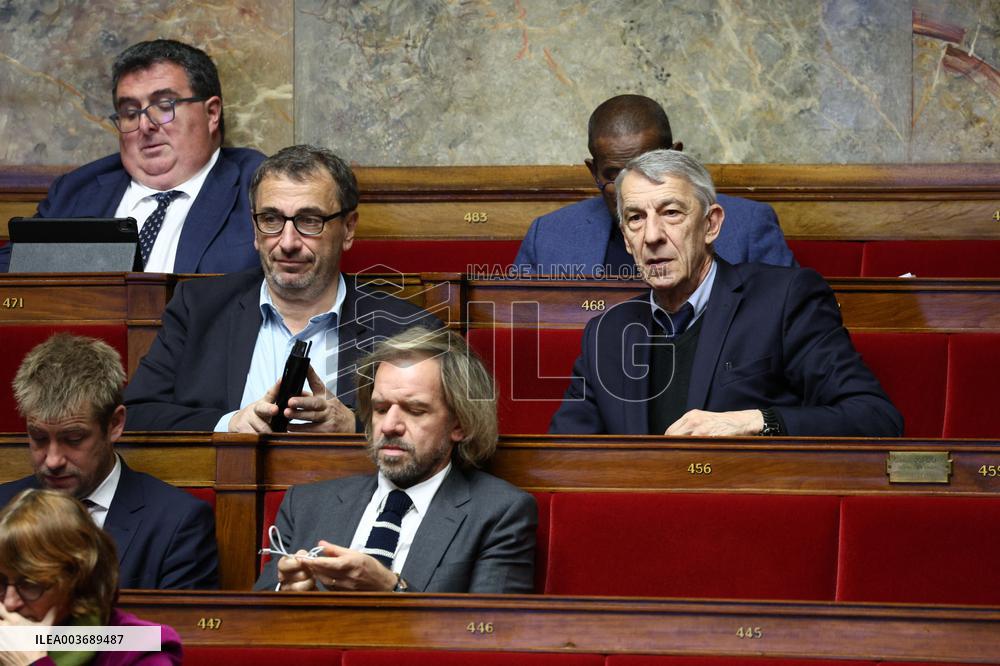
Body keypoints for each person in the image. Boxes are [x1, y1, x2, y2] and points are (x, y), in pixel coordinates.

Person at [549, 149, 902, 437]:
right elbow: (566, 457)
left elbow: (875, 417)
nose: (652, 236)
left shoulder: (785, 300)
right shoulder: (606, 333)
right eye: (636, 218)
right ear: (627, 240)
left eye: (671, 213)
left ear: (711, 224)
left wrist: (757, 421)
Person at [123, 144, 444, 432]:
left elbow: (446, 432)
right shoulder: (198, 309)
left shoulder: (406, 330)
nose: (288, 243)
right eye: (271, 219)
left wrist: (355, 426)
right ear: (255, 228)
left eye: (310, 221)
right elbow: (135, 416)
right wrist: (228, 425)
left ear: (348, 229)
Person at [254, 326, 536, 593]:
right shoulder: (305, 504)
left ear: (460, 423)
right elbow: (256, 616)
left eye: (415, 410)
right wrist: (286, 593)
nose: (389, 426)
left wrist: (391, 588)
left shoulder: (498, 513)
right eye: (380, 408)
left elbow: (489, 625)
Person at [0, 39, 264, 274]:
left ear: (212, 113)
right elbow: (12, 275)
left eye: (164, 106)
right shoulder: (76, 190)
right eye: (130, 113)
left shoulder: (257, 186)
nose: (145, 125)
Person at [0, 333, 219, 589]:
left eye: (73, 439)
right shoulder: (3, 506)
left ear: (115, 424)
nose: (53, 460)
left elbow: (176, 617)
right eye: (39, 438)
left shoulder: (177, 522)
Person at [514, 94, 794, 276]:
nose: (631, 188)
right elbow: (515, 328)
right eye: (615, 175)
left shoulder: (748, 226)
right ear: (594, 172)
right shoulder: (548, 236)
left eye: (648, 169)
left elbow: (788, 320)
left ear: (677, 157)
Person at [0, 489, 182, 665]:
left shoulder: (139, 645)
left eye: (31, 585)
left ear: (79, 582)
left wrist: (33, 663)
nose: (9, 603)